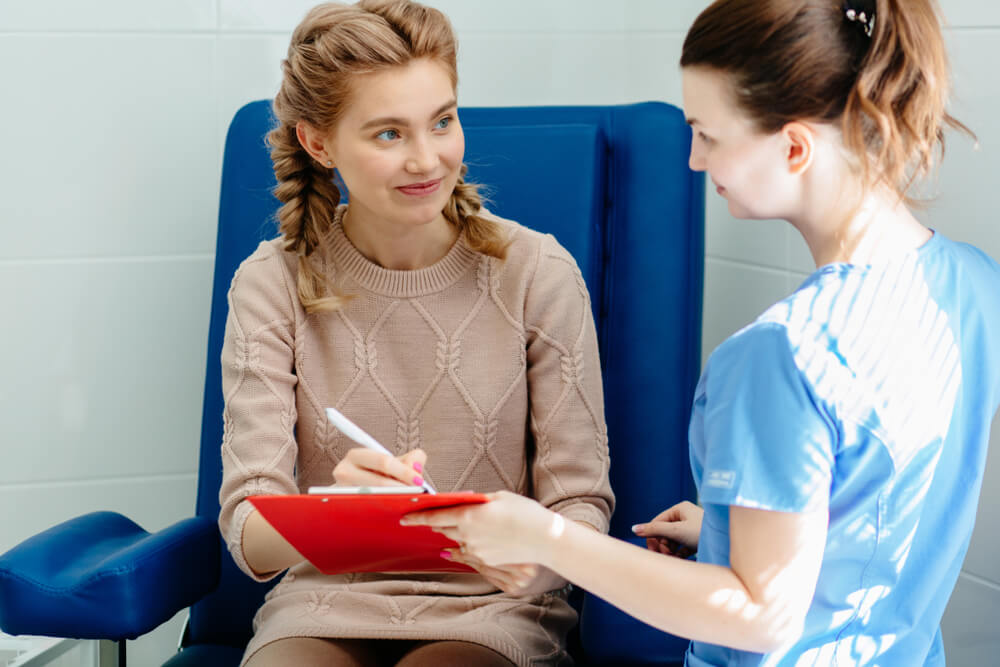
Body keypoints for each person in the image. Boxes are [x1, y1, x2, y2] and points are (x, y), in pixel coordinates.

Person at [403, 1, 1000, 664]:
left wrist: (546, 536)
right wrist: (724, 534)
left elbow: (760, 615)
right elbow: (873, 523)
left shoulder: (783, 352)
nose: (691, 160)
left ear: (795, 147)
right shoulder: (972, 285)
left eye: (707, 135)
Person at [217, 1, 614, 665]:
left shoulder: (538, 272)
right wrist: (342, 514)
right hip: (322, 604)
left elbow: (580, 502)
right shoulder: (270, 283)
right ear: (319, 143)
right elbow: (250, 529)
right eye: (388, 134)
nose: (428, 159)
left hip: (494, 607)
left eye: (442, 121)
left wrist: (530, 561)